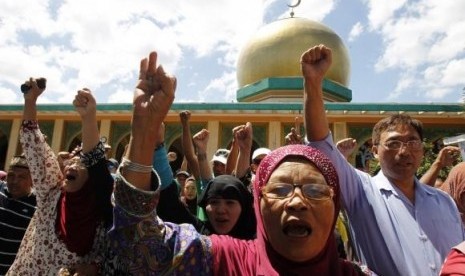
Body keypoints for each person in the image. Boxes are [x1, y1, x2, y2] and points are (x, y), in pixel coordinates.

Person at [105, 49, 370, 275]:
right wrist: (144, 131)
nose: (298, 202)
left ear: (335, 202)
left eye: (315, 190)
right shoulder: (225, 261)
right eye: (279, 190)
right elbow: (138, 243)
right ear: (258, 203)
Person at [302, 44, 465, 275]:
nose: (404, 151)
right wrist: (313, 82)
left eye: (412, 143)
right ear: (375, 151)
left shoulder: (445, 202)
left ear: (422, 149)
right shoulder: (361, 191)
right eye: (394, 143)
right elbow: (320, 143)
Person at [7, 81, 114, 275]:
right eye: (71, 161)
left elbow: (115, 260)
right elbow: (34, 145)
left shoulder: (105, 213)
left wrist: (95, 269)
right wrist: (30, 100)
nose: (72, 165)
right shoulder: (51, 191)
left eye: (81, 162)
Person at [0, 155, 36, 275]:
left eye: (21, 177)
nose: (14, 181)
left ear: (32, 179)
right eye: (11, 175)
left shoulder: (37, 207)